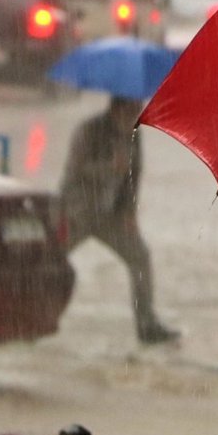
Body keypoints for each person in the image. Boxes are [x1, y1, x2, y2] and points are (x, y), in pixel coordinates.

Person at [60, 96, 179, 344]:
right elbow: (73, 173)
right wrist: (108, 167)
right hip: (77, 212)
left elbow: (135, 176)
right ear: (118, 108)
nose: (137, 113)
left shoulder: (135, 134)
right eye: (133, 109)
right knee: (50, 258)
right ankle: (27, 317)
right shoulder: (89, 130)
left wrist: (129, 212)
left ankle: (146, 324)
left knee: (140, 257)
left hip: (110, 214)